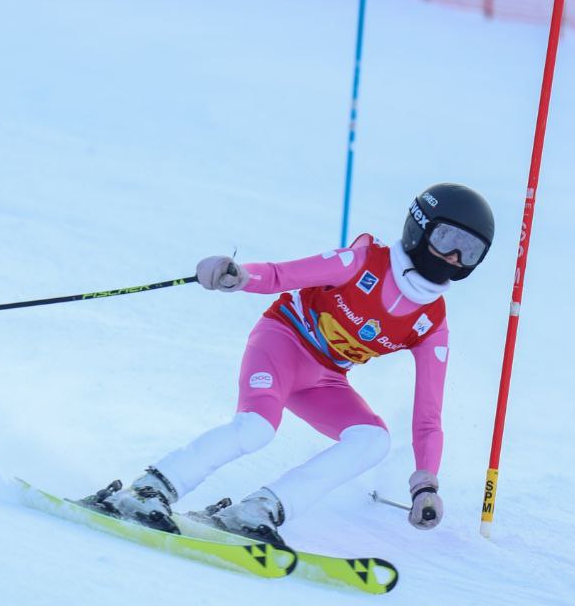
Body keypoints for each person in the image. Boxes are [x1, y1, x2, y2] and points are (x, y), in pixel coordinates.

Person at [83, 183, 495, 545]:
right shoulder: (363, 262)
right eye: (446, 240)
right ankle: (148, 490)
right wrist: (238, 275)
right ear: (420, 228)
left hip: (325, 380)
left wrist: (426, 484)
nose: (456, 257)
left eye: (471, 251)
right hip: (282, 342)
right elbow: (282, 275)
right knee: (257, 428)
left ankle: (260, 509)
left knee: (374, 441)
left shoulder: (431, 323)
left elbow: (428, 416)